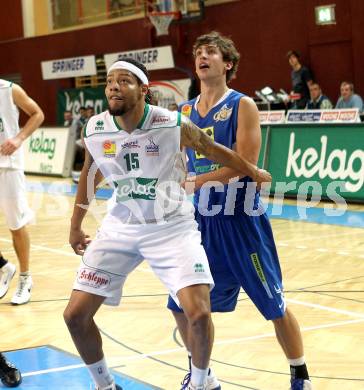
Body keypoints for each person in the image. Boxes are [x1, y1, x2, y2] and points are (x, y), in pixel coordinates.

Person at [63, 58, 271, 390]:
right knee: (74, 316)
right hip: (121, 226)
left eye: (124, 81)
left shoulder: (171, 123)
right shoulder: (95, 128)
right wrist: (75, 225)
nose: (113, 86)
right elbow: (90, 174)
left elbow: (214, 150)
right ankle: (105, 385)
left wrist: (252, 170)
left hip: (171, 226)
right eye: (110, 81)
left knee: (200, 314)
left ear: (143, 90)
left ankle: (202, 383)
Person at [167, 32, 312, 390]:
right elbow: (179, 164)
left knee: (274, 305)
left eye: (211, 52)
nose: (202, 57)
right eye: (199, 53)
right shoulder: (183, 111)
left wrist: (197, 183)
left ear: (227, 63)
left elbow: (246, 163)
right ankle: (202, 374)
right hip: (200, 222)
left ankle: (300, 373)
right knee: (179, 304)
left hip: (241, 219)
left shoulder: (242, 104)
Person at [0, 80, 44, 305]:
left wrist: (18, 138)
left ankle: (25, 278)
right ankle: (3, 267)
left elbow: (37, 114)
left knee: (16, 225)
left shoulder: (9, 89)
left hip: (7, 166)